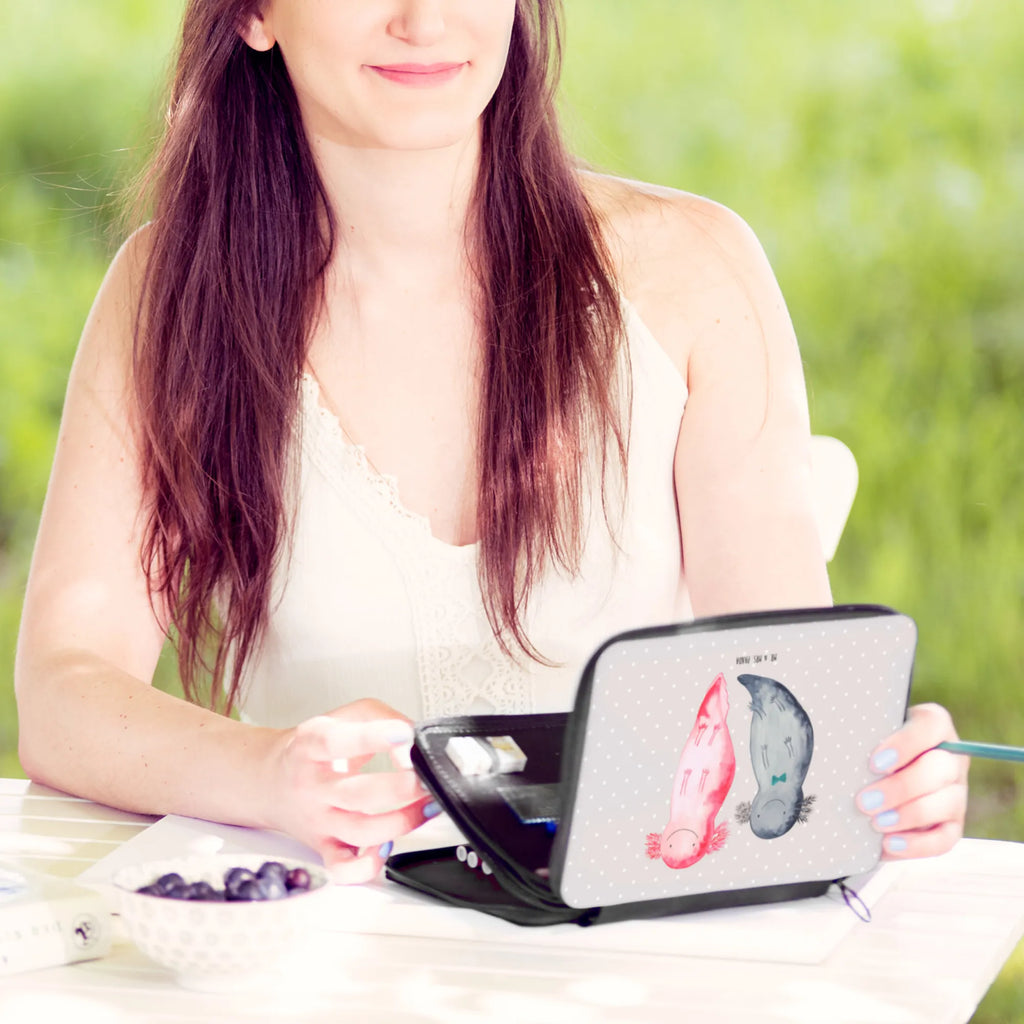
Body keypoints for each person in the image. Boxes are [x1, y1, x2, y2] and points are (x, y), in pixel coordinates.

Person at [14, 0, 968, 884]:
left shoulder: (692, 275)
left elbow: (792, 695)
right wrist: (268, 771)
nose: (424, 20)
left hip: (641, 937)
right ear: (256, 13)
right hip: (319, 941)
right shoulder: (174, 294)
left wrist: (883, 775)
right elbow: (63, 696)